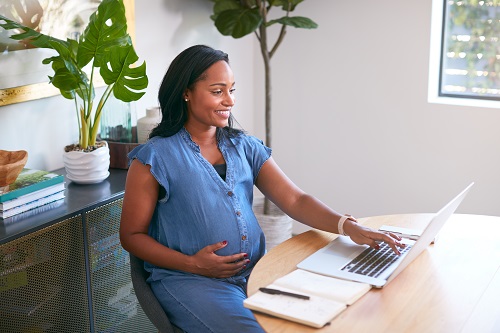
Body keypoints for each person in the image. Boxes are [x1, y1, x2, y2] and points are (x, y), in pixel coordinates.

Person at [119, 44, 404, 332]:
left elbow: (294, 199)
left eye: (232, 90)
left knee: (328, 318)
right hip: (191, 281)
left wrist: (346, 226)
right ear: (186, 92)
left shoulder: (243, 146)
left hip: (256, 273)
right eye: (218, 91)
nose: (229, 101)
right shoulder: (154, 158)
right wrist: (194, 264)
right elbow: (131, 236)